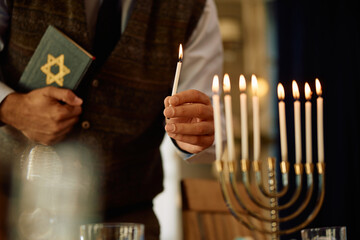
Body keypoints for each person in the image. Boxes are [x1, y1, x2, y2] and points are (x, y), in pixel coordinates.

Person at [0, 0, 223, 239]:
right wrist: (9, 107)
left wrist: (199, 135)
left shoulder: (194, 7)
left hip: (130, 222)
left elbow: (211, 124)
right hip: (15, 213)